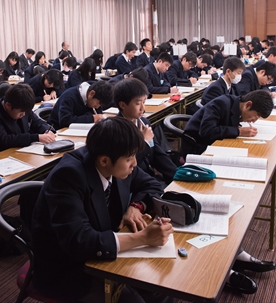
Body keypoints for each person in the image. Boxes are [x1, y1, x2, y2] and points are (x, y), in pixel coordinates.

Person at [31, 117, 173, 302]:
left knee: (162, 286)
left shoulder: (117, 160)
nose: (135, 164)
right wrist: (143, 238)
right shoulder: (68, 176)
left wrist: (135, 207)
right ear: (105, 160)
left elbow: (153, 185)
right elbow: (79, 241)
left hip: (105, 248)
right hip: (68, 268)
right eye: (129, 159)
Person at [114, 78, 177, 185]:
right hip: (132, 183)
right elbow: (126, 164)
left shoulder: (143, 122)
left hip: (149, 177)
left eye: (144, 102)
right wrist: (144, 142)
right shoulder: (116, 130)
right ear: (122, 105)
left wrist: (176, 175)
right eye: (138, 103)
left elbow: (157, 153)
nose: (143, 108)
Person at [182, 90, 274, 156]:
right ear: (248, 105)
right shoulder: (221, 103)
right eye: (256, 116)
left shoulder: (237, 106)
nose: (254, 121)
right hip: (197, 147)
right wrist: (238, 131)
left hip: (215, 144)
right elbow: (207, 131)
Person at [0, 84, 55, 156]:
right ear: (8, 105)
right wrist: (36, 137)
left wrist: (46, 130)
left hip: (23, 151)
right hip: (0, 155)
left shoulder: (23, 105)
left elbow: (36, 121)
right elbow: (4, 140)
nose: (24, 114)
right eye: (21, 112)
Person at [48, 81, 113, 129]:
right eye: (98, 103)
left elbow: (98, 114)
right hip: (57, 131)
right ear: (92, 93)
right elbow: (65, 121)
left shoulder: (94, 97)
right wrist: (92, 118)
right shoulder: (69, 97)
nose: (98, 107)